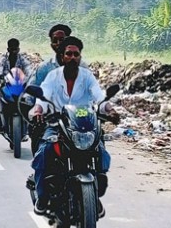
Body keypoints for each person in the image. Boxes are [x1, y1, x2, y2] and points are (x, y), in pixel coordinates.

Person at [29, 36, 117, 217]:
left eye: (76, 54)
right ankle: (42, 196)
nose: (72, 57)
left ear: (80, 56)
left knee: (101, 150)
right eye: (69, 54)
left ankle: (94, 193)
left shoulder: (87, 76)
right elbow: (43, 96)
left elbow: (99, 96)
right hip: (57, 124)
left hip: (83, 124)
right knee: (44, 151)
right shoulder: (53, 76)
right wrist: (38, 110)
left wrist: (110, 110)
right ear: (62, 56)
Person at [0, 38, 31, 136]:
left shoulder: (22, 59)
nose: (14, 51)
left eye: (16, 49)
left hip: (19, 85)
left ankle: (28, 125)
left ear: (18, 49)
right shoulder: (3, 59)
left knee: (29, 101)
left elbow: (29, 70)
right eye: (12, 49)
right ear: (8, 49)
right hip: (6, 85)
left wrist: (29, 79)